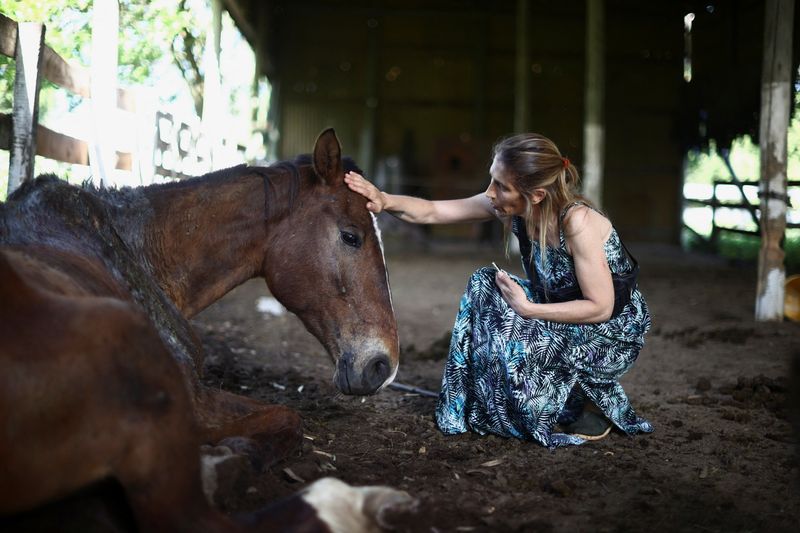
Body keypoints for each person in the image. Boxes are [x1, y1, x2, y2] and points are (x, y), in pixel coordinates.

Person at [344, 132, 652, 447]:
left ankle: (591, 398)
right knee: (484, 284)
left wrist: (528, 310)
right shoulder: (510, 207)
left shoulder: (577, 222)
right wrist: (383, 200)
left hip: (610, 333)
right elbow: (433, 211)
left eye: (501, 187)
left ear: (537, 195)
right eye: (492, 181)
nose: (491, 193)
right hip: (563, 311)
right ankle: (478, 399)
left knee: (526, 358)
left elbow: (601, 307)